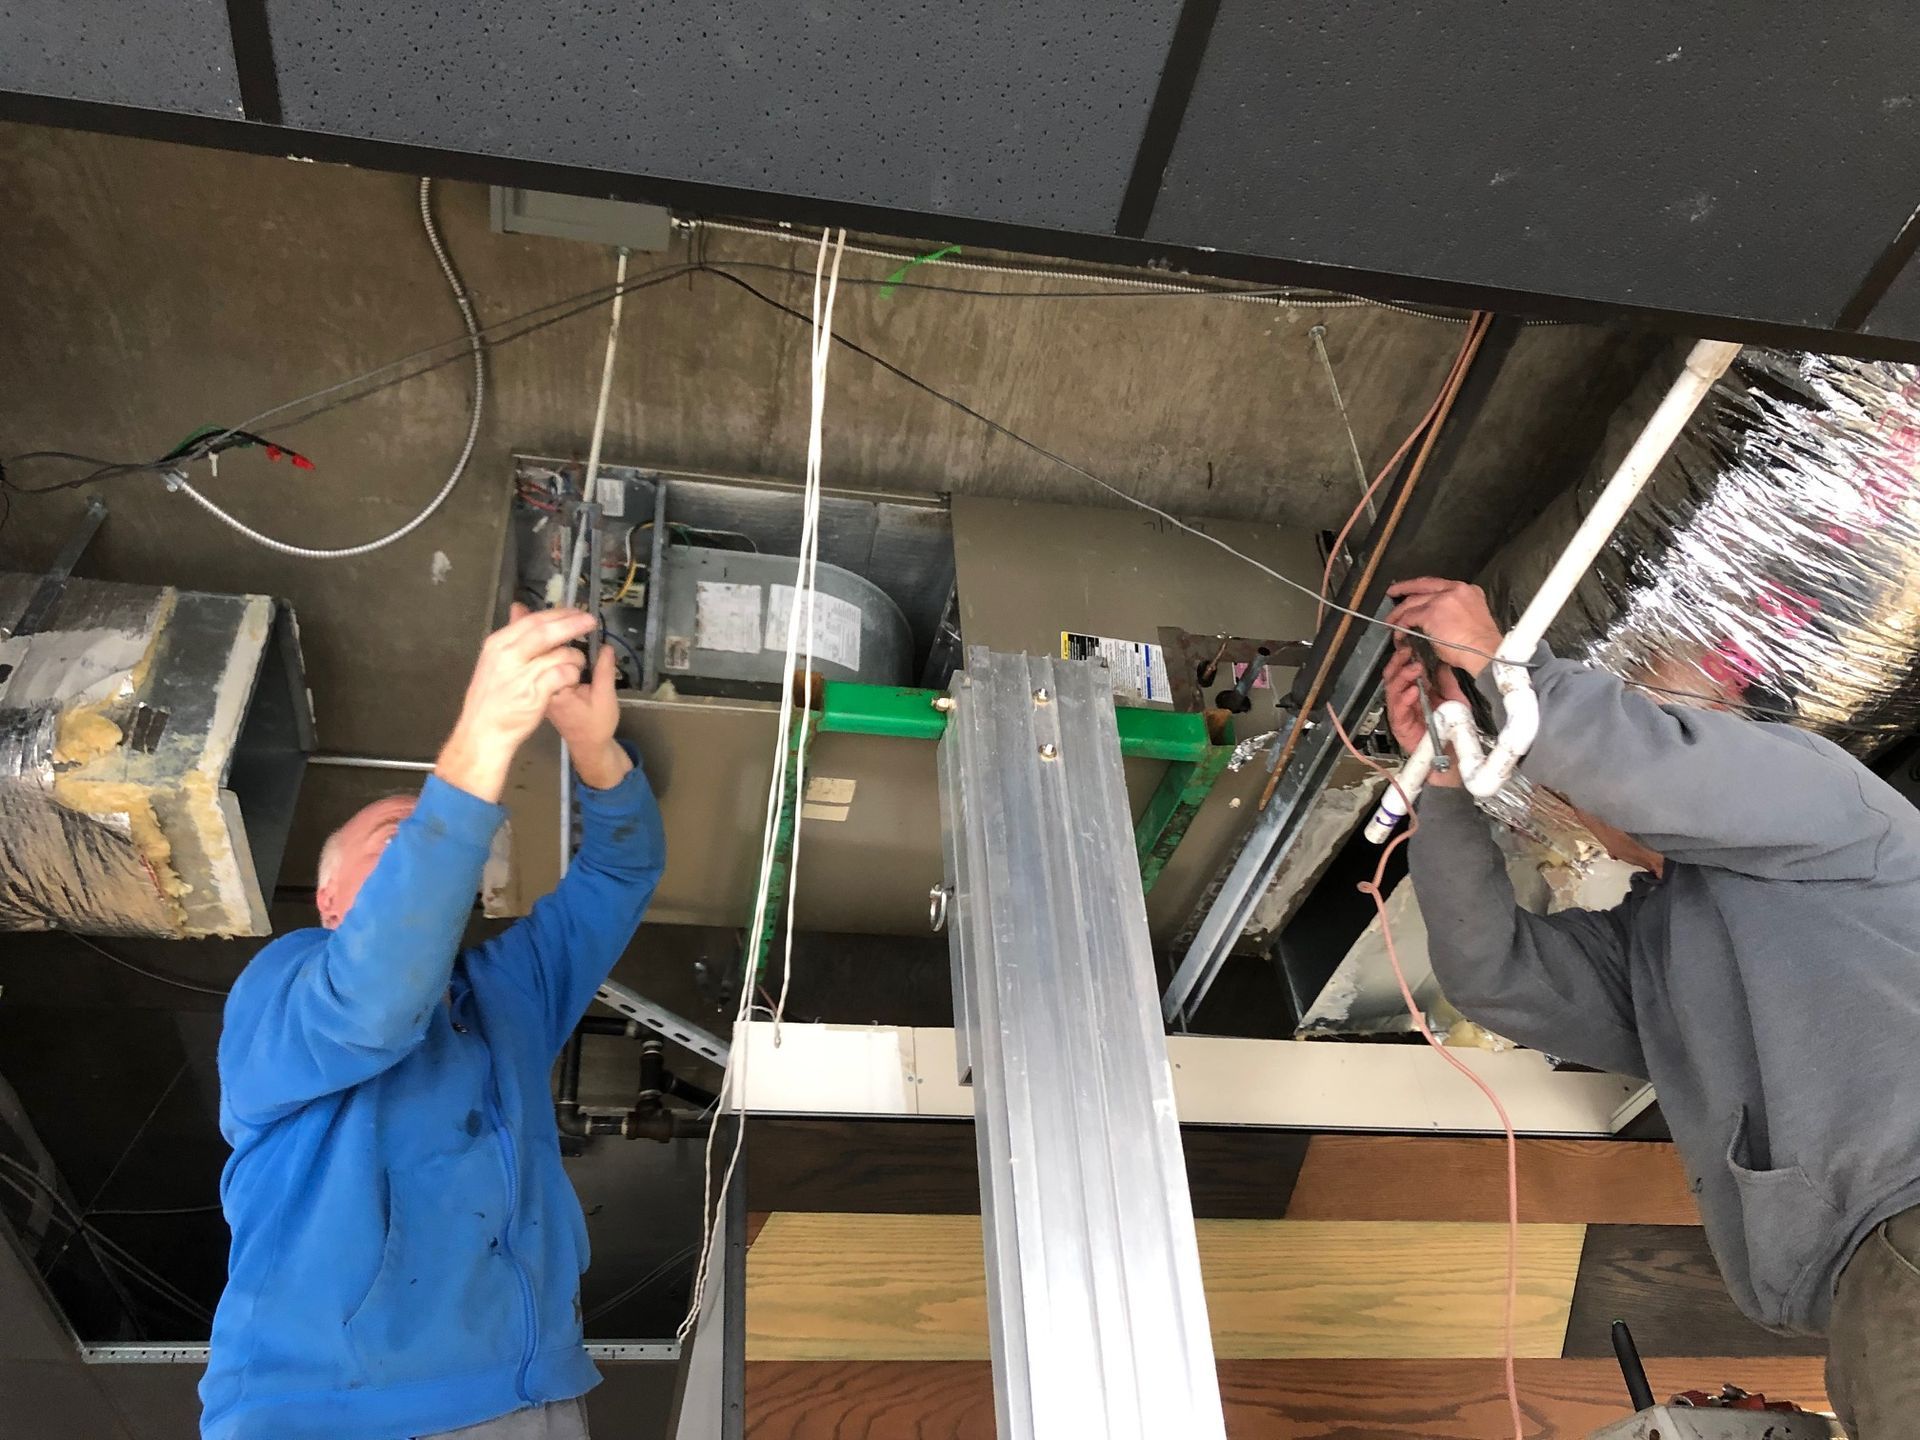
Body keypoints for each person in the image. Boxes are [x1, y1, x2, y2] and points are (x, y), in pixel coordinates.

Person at [1385, 577, 1920, 1440]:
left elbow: (1650, 770)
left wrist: (1510, 668)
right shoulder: (1655, 941)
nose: (1646, 725)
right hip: (1863, 1288)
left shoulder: (1828, 801)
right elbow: (1496, 972)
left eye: (1661, 704)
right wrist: (1443, 791)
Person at [200, 605, 665, 1440]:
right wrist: (482, 740)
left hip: (538, 1394)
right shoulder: (284, 984)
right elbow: (374, 1001)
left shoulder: (505, 992)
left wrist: (593, 748)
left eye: (441, 837)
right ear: (331, 897)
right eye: (395, 834)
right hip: (332, 1410)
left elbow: (621, 873)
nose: (432, 847)